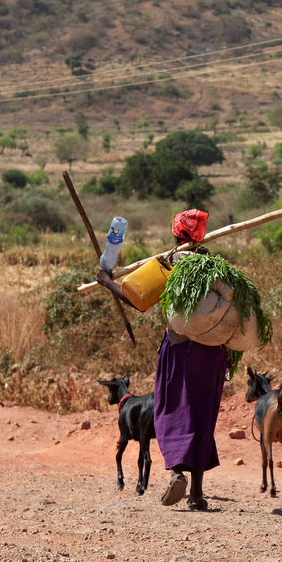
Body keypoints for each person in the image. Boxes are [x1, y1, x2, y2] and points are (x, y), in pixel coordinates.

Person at [96, 208, 229, 510]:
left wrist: (106, 281)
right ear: (201, 236)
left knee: (170, 411)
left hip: (181, 350)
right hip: (214, 356)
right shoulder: (216, 266)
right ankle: (196, 493)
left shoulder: (172, 263)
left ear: (176, 233)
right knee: (201, 417)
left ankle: (177, 473)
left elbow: (138, 300)